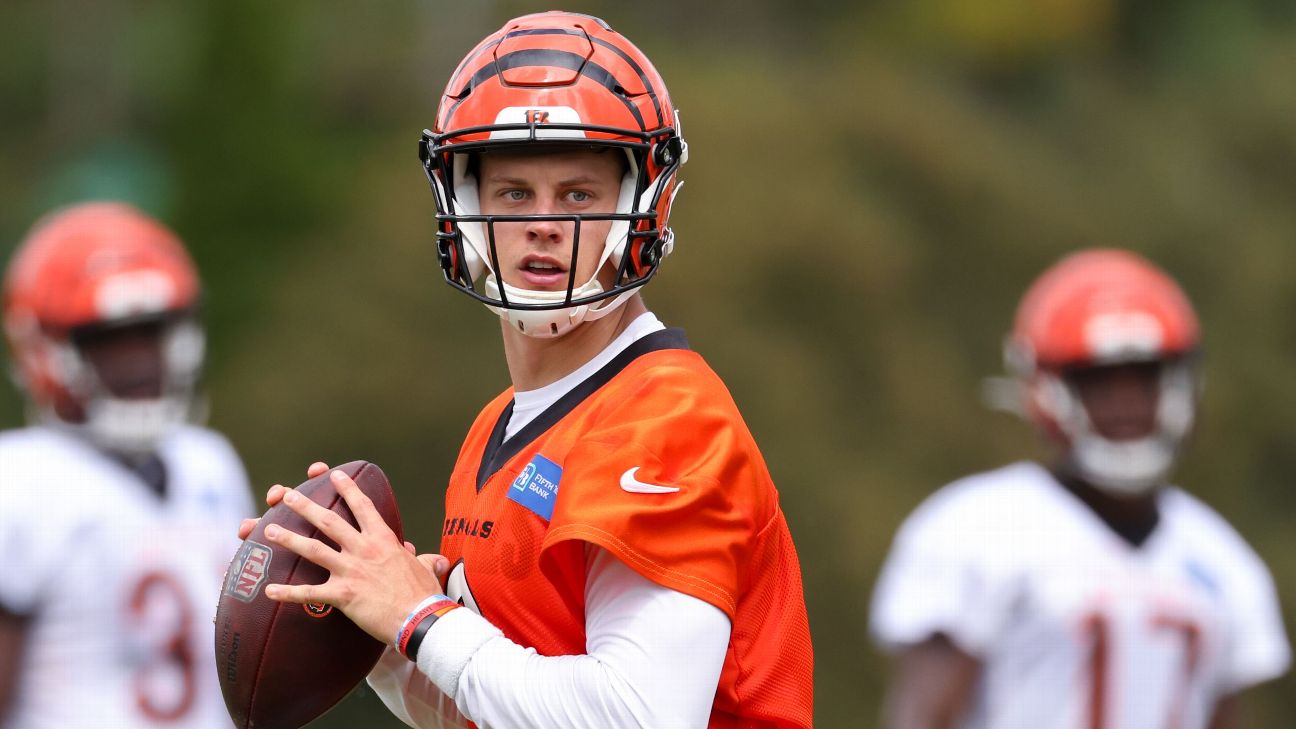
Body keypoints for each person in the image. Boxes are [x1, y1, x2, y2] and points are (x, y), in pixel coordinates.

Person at [238, 11, 815, 729]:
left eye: (578, 194)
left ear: (641, 207)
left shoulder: (671, 419)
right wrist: (375, 626)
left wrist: (418, 615)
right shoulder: (498, 425)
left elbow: (638, 717)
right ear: (466, 209)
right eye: (514, 193)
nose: (544, 222)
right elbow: (491, 708)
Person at [868, 248, 1291, 729]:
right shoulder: (978, 528)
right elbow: (922, 718)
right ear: (1047, 388)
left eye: (1144, 379)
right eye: (1100, 382)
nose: (1126, 404)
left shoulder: (1222, 559)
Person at [0, 202, 254, 727]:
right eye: (109, 342)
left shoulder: (209, 464)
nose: (140, 361)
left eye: (152, 334)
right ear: (44, 350)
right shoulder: (19, 483)